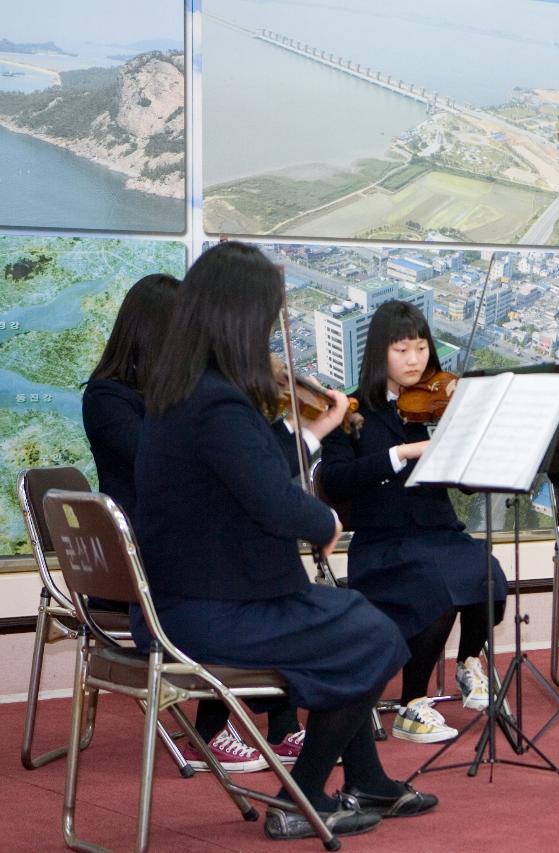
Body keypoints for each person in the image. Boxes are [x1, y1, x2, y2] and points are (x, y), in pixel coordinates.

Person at [132, 241, 434, 840]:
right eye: (268, 317)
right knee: (371, 634)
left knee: (356, 620)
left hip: (188, 598)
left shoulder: (183, 393)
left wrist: (309, 431)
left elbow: (256, 470)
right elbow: (273, 502)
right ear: (242, 319)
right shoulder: (218, 403)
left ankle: (367, 780)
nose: (272, 332)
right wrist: (324, 523)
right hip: (209, 609)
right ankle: (302, 796)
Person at [82, 272, 327, 775]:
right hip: (141, 566)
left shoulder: (182, 399)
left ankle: (275, 727)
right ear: (154, 331)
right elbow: (166, 461)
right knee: (249, 581)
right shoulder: (109, 399)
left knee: (257, 569)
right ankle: (219, 729)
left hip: (175, 557)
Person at [319, 300, 506, 743]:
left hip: (438, 531)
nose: (414, 360)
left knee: (490, 574)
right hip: (384, 543)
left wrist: (469, 443)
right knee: (435, 588)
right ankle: (412, 704)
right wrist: (400, 454)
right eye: (402, 350)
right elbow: (336, 480)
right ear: (380, 353)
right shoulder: (351, 410)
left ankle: (468, 663)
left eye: (421, 348)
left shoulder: (439, 404)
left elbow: (465, 486)